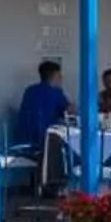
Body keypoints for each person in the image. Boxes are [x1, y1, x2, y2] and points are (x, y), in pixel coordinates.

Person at [13, 60, 74, 191]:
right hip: (40, 143)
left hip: (21, 141)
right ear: (55, 76)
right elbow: (70, 111)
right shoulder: (56, 93)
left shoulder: (29, 90)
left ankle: (45, 184)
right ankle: (56, 185)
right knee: (67, 147)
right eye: (60, 76)